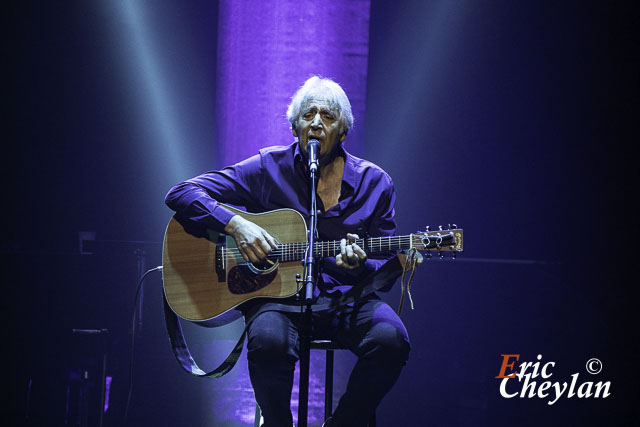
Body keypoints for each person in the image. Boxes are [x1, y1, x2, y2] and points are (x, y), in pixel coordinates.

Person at [165, 76, 420, 427]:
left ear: (343, 132)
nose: (316, 122)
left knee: (392, 341)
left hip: (348, 300)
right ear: (294, 127)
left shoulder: (375, 184)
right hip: (278, 302)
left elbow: (383, 271)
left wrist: (361, 266)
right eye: (307, 115)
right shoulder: (267, 169)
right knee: (268, 342)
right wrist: (236, 225)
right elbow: (181, 193)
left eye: (328, 116)